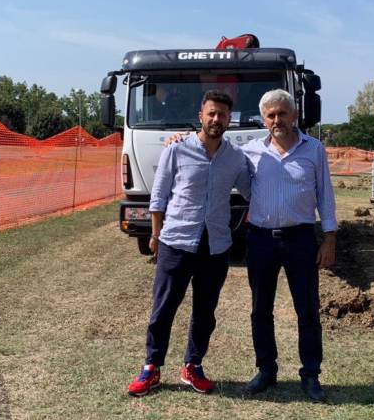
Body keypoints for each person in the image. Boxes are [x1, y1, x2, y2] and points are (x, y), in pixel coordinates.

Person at [126, 89, 251, 397]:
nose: (216, 119)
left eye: (222, 115)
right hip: (176, 241)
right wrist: (155, 234)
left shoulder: (236, 158)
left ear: (229, 120)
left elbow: (252, 191)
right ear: (201, 116)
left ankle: (192, 366)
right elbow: (159, 196)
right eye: (211, 113)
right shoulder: (177, 149)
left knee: (205, 312)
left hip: (216, 245)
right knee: (163, 308)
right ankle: (151, 367)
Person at [240, 89, 337, 402]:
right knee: (260, 310)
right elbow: (214, 154)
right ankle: (266, 371)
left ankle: (310, 375)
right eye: (271, 115)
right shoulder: (250, 152)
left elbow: (325, 196)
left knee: (307, 310)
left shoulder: (314, 150)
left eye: (283, 113)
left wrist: (330, 239)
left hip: (300, 239)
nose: (277, 120)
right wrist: (179, 141)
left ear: (294, 115)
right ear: (263, 118)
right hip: (260, 239)